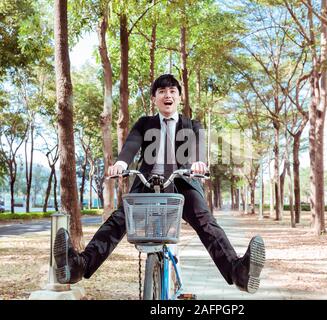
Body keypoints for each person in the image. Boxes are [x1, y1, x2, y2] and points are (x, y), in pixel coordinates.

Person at [54, 74, 265, 294]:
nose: (168, 95)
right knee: (119, 219)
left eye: (173, 91)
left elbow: (198, 148)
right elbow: (131, 144)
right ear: (154, 98)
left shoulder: (192, 125)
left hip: (182, 182)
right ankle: (79, 266)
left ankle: (239, 273)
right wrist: (121, 163)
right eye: (162, 91)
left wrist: (198, 162)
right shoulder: (145, 123)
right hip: (149, 183)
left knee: (206, 222)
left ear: (179, 98)